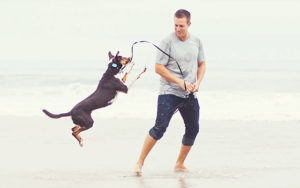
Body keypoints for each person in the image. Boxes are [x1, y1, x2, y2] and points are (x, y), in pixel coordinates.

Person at [134, 9, 206, 173]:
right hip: (169, 92)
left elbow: (202, 64)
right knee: (160, 128)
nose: (178, 29)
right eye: (175, 25)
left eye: (181, 25)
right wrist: (180, 82)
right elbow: (158, 68)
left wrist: (197, 82)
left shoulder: (196, 41)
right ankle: (139, 163)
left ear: (189, 24)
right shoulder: (167, 42)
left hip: (190, 93)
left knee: (193, 128)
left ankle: (179, 164)